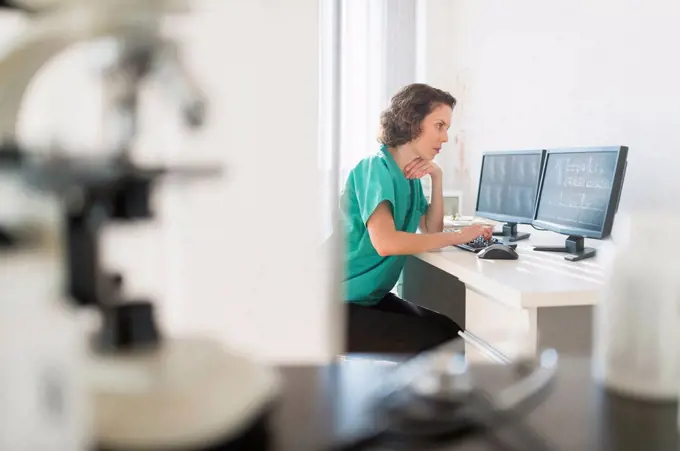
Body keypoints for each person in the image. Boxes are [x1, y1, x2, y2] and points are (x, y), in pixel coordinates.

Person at [340, 83, 492, 354]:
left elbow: (432, 231)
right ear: (412, 121)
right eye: (439, 126)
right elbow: (386, 243)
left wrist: (437, 177)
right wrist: (461, 236)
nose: (445, 138)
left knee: (452, 332)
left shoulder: (410, 179)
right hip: (335, 306)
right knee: (441, 343)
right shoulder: (375, 168)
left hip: (367, 299)